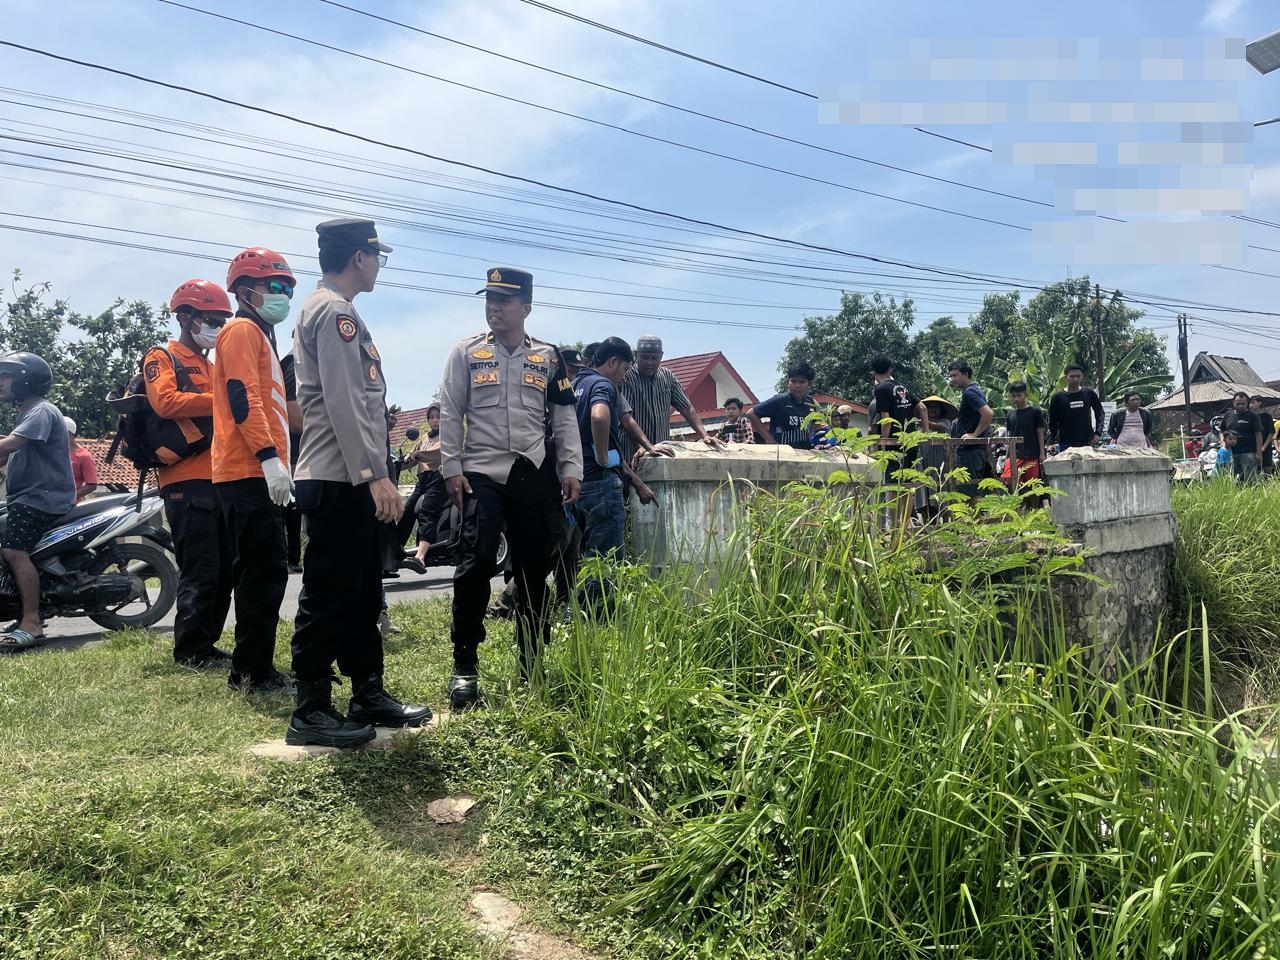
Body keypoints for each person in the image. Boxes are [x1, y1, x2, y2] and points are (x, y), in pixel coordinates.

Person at [288, 218, 431, 748]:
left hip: (348, 474)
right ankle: (310, 710)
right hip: (339, 476)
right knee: (328, 593)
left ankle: (367, 691)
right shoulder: (334, 312)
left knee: (362, 590)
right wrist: (375, 475)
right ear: (359, 258)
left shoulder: (333, 310)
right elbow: (346, 403)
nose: (377, 266)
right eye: (377, 257)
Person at [439, 267, 583, 711]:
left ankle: (532, 663)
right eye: (490, 299)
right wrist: (450, 467)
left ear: (526, 307)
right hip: (481, 472)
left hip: (532, 471)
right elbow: (450, 409)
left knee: (534, 572)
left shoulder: (548, 357)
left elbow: (563, 417)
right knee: (476, 560)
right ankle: (465, 666)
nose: (494, 307)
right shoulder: (466, 352)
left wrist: (571, 467)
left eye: (504, 300)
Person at [213, 246, 296, 695]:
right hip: (248, 471)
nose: (284, 294)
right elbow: (243, 396)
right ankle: (252, 672)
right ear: (246, 291)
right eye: (276, 287)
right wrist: (268, 459)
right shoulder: (243, 330)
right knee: (261, 574)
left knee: (263, 572)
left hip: (255, 469)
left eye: (287, 288)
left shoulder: (260, 334)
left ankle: (252, 667)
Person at [146, 279, 234, 668]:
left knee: (225, 569)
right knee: (201, 568)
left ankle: (206, 643)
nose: (217, 326)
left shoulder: (211, 365)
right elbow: (165, 402)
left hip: (221, 477)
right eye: (211, 319)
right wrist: (225, 402)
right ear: (185, 317)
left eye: (221, 319)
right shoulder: (162, 357)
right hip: (184, 482)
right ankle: (190, 650)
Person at [573, 337, 657, 608]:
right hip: (600, 482)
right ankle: (597, 617)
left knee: (587, 555)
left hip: (578, 480)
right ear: (612, 362)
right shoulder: (602, 384)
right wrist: (601, 455)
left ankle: (577, 611)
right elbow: (600, 417)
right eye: (623, 370)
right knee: (607, 556)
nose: (622, 377)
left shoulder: (575, 385)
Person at [0, 353, 75, 651]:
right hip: (28, 498)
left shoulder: (41, 411)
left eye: (6, 376)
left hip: (41, 499)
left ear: (25, 380)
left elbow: (13, 444)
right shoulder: (27, 415)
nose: (1, 382)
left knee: (14, 551)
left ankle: (32, 620)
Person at [619, 335, 723, 463]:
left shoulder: (667, 376)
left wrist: (704, 435)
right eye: (644, 357)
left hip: (662, 451)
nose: (649, 362)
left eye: (654, 358)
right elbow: (625, 418)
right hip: (633, 453)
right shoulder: (626, 377)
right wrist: (644, 446)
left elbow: (686, 407)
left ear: (661, 356)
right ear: (636, 355)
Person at [870, 355, 929, 478]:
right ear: (890, 370)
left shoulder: (880, 389)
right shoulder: (903, 387)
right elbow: (923, 408)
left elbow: (886, 421)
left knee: (893, 485)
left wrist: (884, 444)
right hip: (910, 442)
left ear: (873, 372)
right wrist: (925, 433)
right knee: (907, 483)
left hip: (894, 445)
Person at [947, 360, 994, 501]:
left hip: (969, 450)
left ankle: (974, 522)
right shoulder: (973, 390)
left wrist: (974, 434)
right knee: (970, 489)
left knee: (970, 493)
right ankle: (973, 521)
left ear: (966, 374)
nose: (952, 379)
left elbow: (988, 413)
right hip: (972, 449)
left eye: (955, 375)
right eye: (951, 376)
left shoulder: (970, 392)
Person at [746, 361, 819, 448]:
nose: (797, 385)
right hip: (782, 453)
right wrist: (769, 440)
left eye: (802, 382)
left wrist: (809, 436)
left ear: (809, 384)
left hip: (805, 452)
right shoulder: (779, 400)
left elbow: (816, 420)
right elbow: (751, 413)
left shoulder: (811, 402)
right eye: (793, 381)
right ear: (788, 382)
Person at [1047, 364, 1104, 452]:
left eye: (1078, 376)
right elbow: (1052, 421)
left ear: (1082, 377)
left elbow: (1100, 412)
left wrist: (1098, 433)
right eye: (1072, 376)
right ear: (1066, 377)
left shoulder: (1089, 393)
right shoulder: (1057, 397)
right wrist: (1051, 442)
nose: (1075, 379)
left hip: (1087, 441)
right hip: (1065, 442)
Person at [1004, 381, 1047, 496]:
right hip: (1015, 455)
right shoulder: (1010, 415)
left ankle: (1032, 509)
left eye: (1019, 395)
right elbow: (1010, 436)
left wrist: (1042, 454)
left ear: (1025, 396)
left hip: (1032, 454)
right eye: (1013, 396)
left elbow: (1040, 433)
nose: (1016, 399)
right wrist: (1007, 456)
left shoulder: (1035, 412)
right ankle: (1017, 508)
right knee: (1008, 480)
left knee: (1032, 486)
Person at [1221, 391, 1264, 482]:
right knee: (1231, 479)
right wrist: (1223, 444)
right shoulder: (1228, 415)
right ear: (1233, 403)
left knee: (1250, 479)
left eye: (1243, 404)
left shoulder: (1253, 416)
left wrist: (1259, 453)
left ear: (1247, 403)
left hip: (1248, 452)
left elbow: (1258, 435)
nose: (1240, 406)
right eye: (1238, 404)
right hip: (1231, 452)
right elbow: (1222, 431)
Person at [64, 418, 98, 502]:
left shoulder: (84, 456)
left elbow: (92, 484)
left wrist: (70, 498)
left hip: (72, 507)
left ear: (68, 433)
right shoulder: (54, 453)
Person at [1249, 397, 1275, 474]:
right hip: (1252, 447)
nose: (1251, 405)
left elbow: (1271, 432)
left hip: (1265, 446)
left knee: (1267, 469)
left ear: (1260, 403)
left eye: (1253, 402)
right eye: (1250, 403)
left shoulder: (1266, 416)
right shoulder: (1248, 416)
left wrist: (1263, 447)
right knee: (1253, 470)